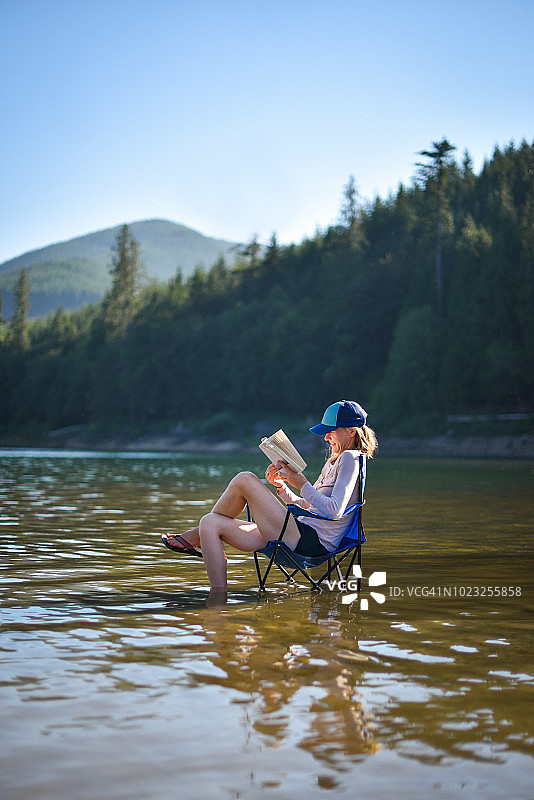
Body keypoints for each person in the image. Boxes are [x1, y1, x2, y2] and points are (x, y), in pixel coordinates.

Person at [161, 400, 377, 593]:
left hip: (311, 541)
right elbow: (309, 505)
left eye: (331, 430)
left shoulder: (350, 457)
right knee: (209, 522)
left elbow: (335, 510)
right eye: (325, 431)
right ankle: (218, 599)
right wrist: (282, 487)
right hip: (297, 529)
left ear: (352, 432)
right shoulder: (335, 460)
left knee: (245, 479)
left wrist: (302, 483)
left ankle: (191, 539)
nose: (326, 436)